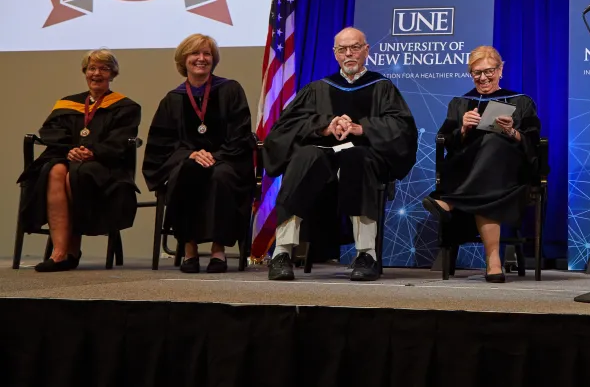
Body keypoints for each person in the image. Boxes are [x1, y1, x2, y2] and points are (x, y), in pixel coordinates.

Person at [263, 27, 417, 282]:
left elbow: (402, 130)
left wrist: (362, 127)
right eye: (342, 49)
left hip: (363, 156)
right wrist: (324, 126)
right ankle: (282, 253)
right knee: (303, 158)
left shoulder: (383, 88)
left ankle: (366, 255)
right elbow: (284, 130)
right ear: (335, 54)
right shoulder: (318, 89)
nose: (349, 54)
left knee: (357, 159)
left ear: (366, 50)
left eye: (355, 47)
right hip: (321, 155)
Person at [422, 46, 541, 283]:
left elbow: (534, 143)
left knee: (494, 141)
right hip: (468, 171)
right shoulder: (460, 103)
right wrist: (463, 129)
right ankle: (493, 261)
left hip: (509, 173)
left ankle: (451, 202)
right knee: (487, 182)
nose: (483, 77)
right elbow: (446, 141)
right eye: (477, 73)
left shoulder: (520, 101)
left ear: (501, 70)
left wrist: (512, 132)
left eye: (489, 71)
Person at [17, 49, 142, 272]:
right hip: (66, 157)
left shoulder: (126, 107)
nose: (97, 73)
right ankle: (59, 252)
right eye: (92, 68)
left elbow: (121, 140)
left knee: (76, 175)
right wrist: (71, 150)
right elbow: (50, 131)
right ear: (85, 72)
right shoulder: (67, 104)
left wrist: (92, 152)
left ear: (112, 74)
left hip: (105, 165)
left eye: (104, 68)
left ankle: (72, 250)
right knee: (54, 170)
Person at [143, 34, 254, 274]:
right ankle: (189, 249)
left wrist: (215, 155)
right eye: (195, 53)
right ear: (184, 59)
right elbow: (161, 144)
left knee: (220, 177)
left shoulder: (230, 90)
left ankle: (218, 251)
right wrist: (190, 154)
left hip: (225, 159)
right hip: (187, 161)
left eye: (207, 54)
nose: (201, 59)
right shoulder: (173, 99)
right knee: (185, 172)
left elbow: (241, 133)